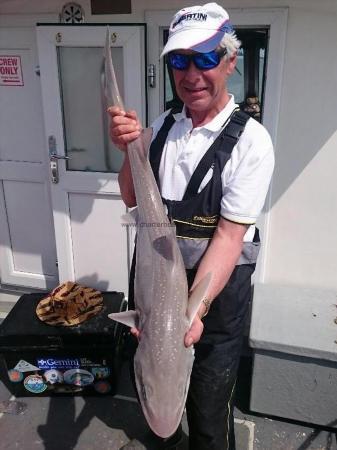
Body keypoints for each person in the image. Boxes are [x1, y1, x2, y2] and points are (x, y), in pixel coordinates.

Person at [109, 3, 274, 449]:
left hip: (213, 298)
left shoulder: (251, 142)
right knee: (154, 387)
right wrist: (130, 148)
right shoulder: (163, 126)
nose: (192, 74)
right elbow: (132, 198)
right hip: (156, 283)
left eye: (205, 58)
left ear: (230, 61)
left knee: (208, 402)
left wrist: (190, 313)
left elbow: (228, 237)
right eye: (180, 60)